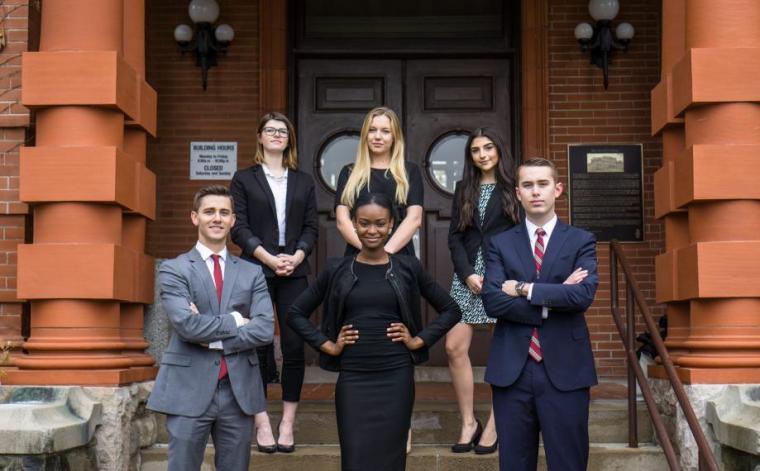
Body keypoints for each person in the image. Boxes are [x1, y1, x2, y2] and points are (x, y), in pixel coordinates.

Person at [287, 192, 461, 471]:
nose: (372, 230)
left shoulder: (407, 267)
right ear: (354, 224)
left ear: (391, 224)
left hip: (396, 376)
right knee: (355, 459)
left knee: (392, 460)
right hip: (354, 377)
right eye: (364, 223)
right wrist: (328, 345)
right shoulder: (336, 269)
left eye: (380, 223)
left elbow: (452, 309)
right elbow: (295, 313)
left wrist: (419, 340)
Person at [481, 158, 599, 471]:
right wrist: (554, 298)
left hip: (566, 368)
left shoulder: (581, 241)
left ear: (557, 189)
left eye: (543, 184)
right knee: (515, 464)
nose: (536, 192)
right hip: (512, 370)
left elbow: (582, 295)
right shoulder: (499, 244)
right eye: (528, 185)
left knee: (568, 463)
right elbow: (492, 301)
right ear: (517, 193)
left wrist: (524, 289)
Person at [147, 185, 274, 471]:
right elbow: (187, 325)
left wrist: (213, 338)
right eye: (209, 212)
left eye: (224, 212)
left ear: (233, 221)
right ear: (195, 217)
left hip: (237, 390)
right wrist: (237, 320)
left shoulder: (252, 272)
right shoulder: (174, 269)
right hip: (188, 388)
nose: (217, 218)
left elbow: (265, 329)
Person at [230, 112, 318, 453]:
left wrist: (297, 256)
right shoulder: (244, 179)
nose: (277, 135)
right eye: (270, 130)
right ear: (260, 138)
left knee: (295, 346)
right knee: (258, 345)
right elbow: (240, 226)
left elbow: (311, 226)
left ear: (289, 139)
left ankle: (288, 422)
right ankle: (262, 420)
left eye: (283, 131)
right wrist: (267, 257)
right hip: (256, 269)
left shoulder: (304, 181)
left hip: (295, 269)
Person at [446, 128, 519, 455]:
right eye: (476, 150)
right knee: (453, 346)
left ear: (499, 150)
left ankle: (494, 422)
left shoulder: (514, 187)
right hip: (467, 277)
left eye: (488, 147)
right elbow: (455, 237)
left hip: (503, 276)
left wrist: (498, 276)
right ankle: (468, 422)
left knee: (503, 349)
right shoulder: (464, 188)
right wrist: (467, 274)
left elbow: (522, 236)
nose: (483, 154)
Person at [335, 106, 423, 257]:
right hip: (358, 256)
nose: (377, 136)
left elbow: (414, 219)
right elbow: (342, 220)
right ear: (365, 135)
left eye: (385, 131)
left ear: (394, 137)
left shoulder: (409, 171)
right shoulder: (349, 172)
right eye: (372, 130)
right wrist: (368, 252)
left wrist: (385, 253)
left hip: (399, 256)